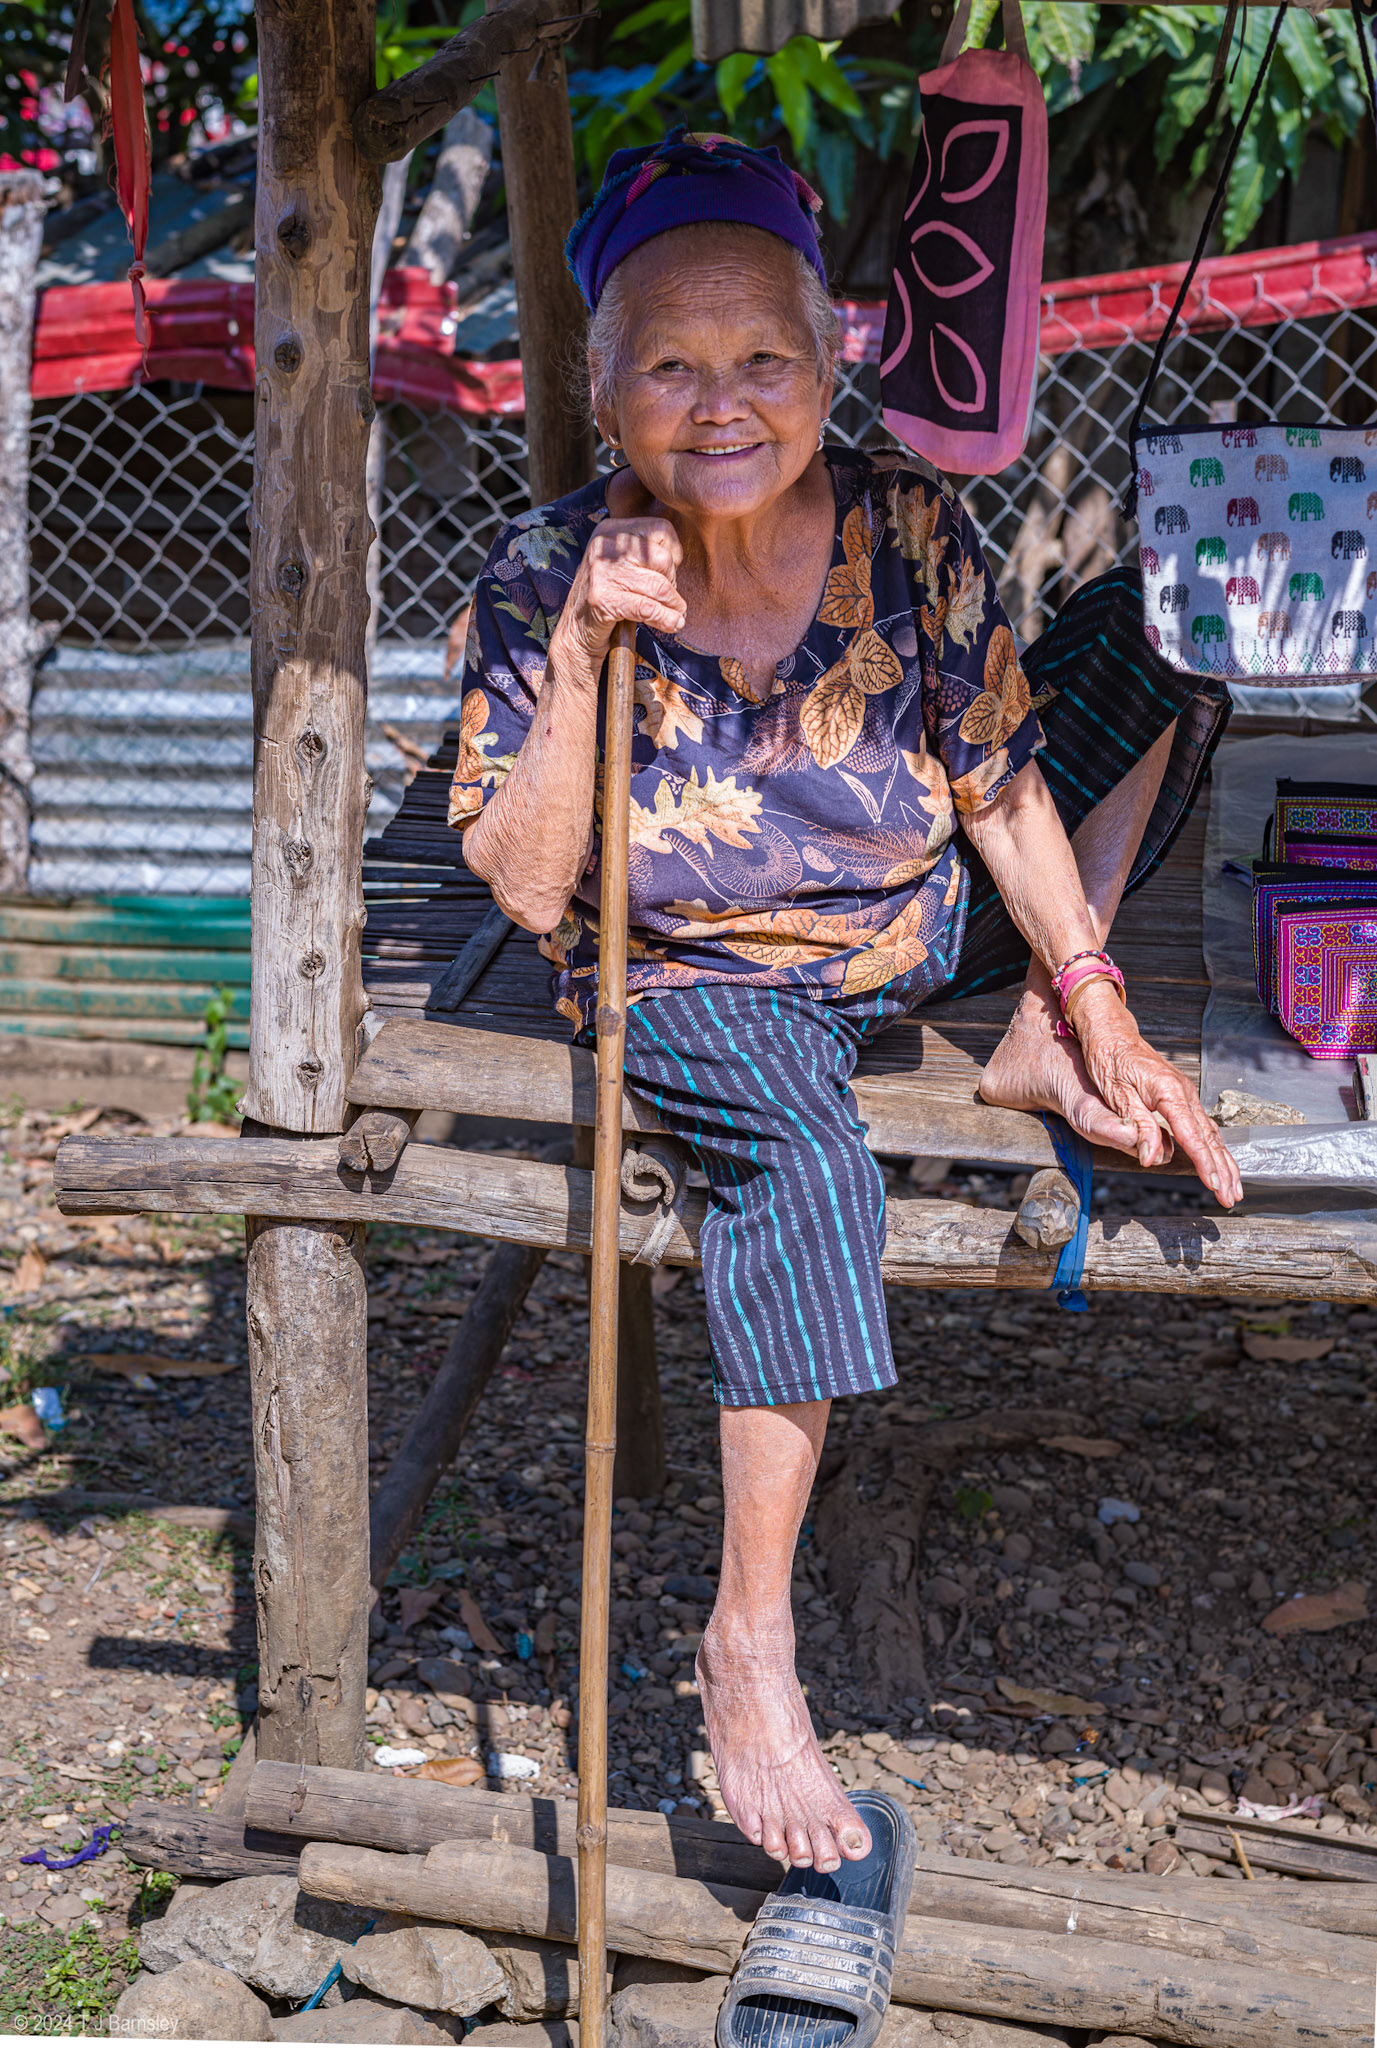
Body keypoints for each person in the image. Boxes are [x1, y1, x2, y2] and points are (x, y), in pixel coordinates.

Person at [452, 129, 1241, 1877]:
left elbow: (998, 783)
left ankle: (1034, 1039)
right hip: (697, 971)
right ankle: (747, 1642)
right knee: (807, 1169)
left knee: (1159, 629)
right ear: (600, 387)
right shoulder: (543, 569)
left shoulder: (905, 521)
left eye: (762, 358)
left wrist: (1094, 999)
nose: (720, 403)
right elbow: (519, 882)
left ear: (827, 370)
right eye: (669, 364)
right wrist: (582, 650)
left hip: (910, 921)